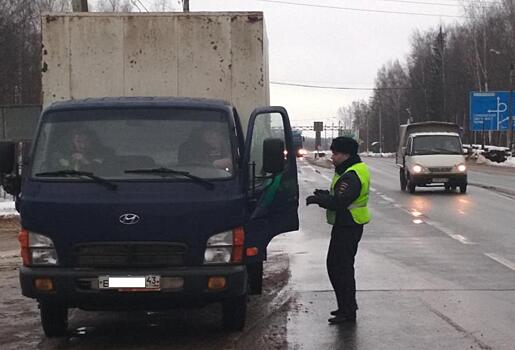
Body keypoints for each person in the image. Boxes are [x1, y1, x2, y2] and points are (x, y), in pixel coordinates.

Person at [306, 136, 371, 324]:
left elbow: (341, 202)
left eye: (335, 153)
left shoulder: (352, 174)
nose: (332, 157)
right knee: (338, 266)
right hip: (346, 225)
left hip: (349, 225)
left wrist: (319, 200)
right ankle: (346, 307)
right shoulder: (349, 170)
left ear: (345, 154)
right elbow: (340, 196)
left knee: (340, 268)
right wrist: (325, 195)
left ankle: (348, 310)